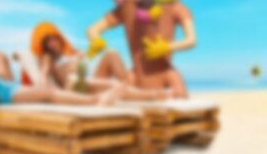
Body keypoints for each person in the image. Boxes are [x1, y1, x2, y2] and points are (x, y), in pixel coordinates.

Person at [0, 20, 119, 154]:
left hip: (7, 88)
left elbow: (11, 80)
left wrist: (23, 92)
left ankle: (94, 100)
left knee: (47, 91)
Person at [87, 0, 196, 98]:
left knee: (180, 95)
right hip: (136, 76)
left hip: (163, 72)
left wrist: (167, 46)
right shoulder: (128, 7)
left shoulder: (175, 7)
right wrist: (95, 40)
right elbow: (93, 29)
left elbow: (191, 40)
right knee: (120, 85)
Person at [30, 22, 170, 100]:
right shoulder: (47, 58)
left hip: (86, 80)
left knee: (111, 53)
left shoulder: (72, 52)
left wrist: (81, 59)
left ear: (59, 38)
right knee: (78, 78)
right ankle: (152, 94)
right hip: (73, 87)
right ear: (45, 46)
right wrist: (45, 93)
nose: (53, 43)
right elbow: (43, 74)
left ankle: (130, 89)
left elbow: (85, 67)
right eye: (48, 42)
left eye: (54, 38)